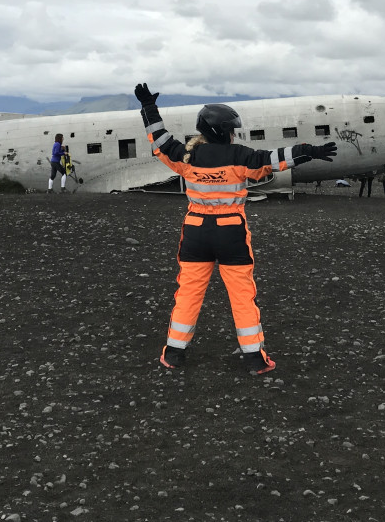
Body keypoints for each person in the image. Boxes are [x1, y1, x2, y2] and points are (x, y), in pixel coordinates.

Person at [134, 82, 337, 375]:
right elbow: (275, 159)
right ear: (225, 131)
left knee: (188, 292)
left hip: (195, 232)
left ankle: (174, 353)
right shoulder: (241, 156)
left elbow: (159, 140)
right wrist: (312, 150)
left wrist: (148, 107)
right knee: (242, 295)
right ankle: (255, 358)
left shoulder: (185, 157)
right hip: (231, 234)